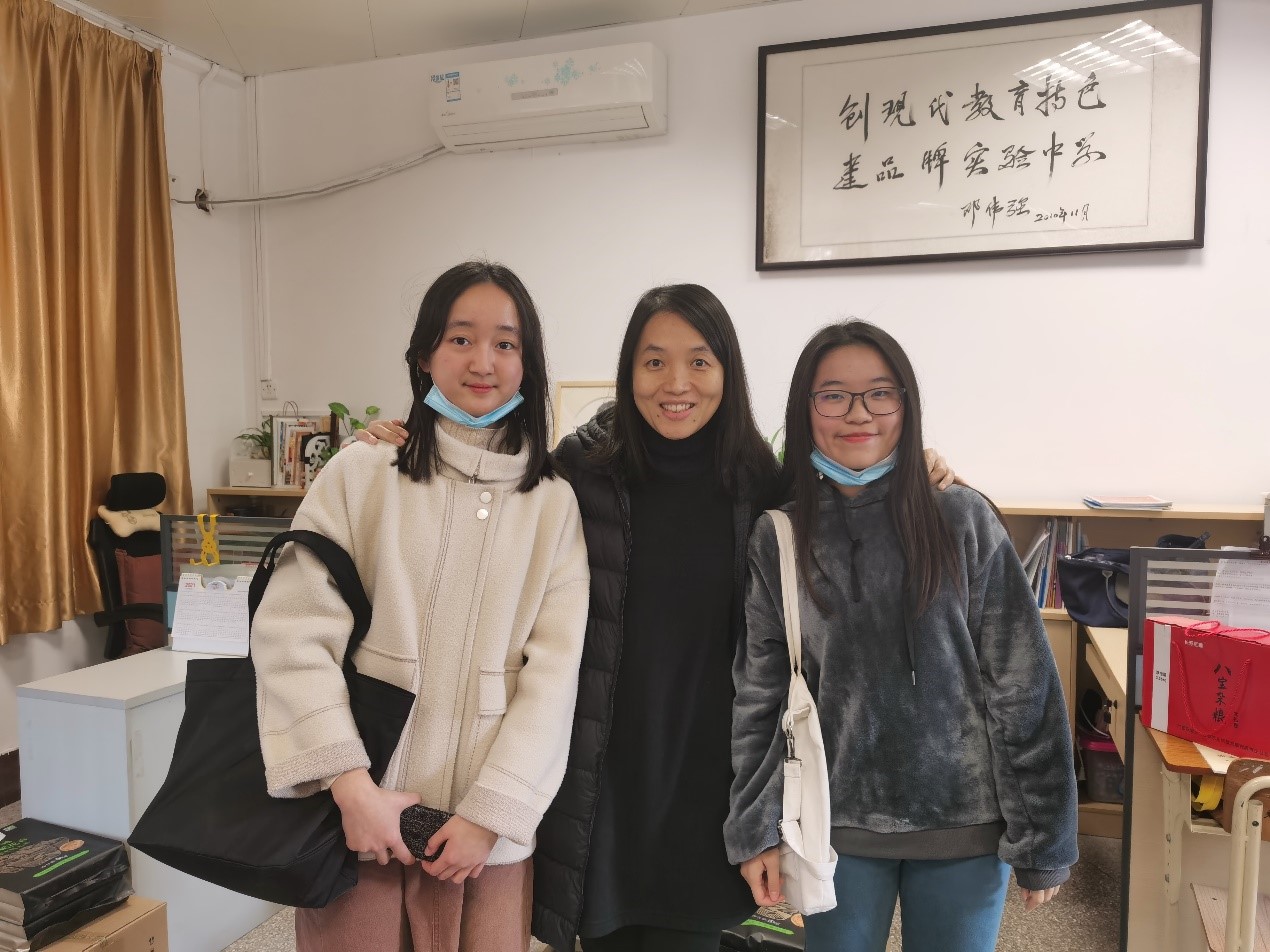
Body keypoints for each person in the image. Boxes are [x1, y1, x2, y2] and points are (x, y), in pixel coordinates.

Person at [358, 288, 957, 952]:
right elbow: (488, 494)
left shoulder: (767, 486)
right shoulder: (578, 473)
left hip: (709, 785)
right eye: (654, 362)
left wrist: (922, 470)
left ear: (727, 372)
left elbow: (858, 524)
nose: (676, 383)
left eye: (699, 362)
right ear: (629, 372)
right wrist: (401, 445)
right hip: (601, 784)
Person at [251, 260, 590, 952]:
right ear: (424, 354)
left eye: (505, 343)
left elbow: (555, 675)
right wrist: (351, 788)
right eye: (460, 338)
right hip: (360, 822)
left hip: (484, 840)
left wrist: (491, 815)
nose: (482, 361)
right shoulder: (361, 474)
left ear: (528, 363)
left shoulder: (553, 502)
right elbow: (293, 633)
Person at [725, 320, 1078, 952]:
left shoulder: (961, 517)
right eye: (833, 395)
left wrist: (1044, 836)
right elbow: (760, 697)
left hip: (964, 825)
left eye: (880, 393)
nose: (858, 413)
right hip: (834, 827)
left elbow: (1023, 685)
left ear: (906, 406)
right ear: (805, 409)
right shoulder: (779, 536)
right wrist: (755, 827)